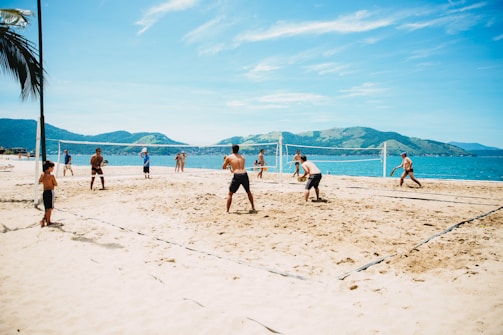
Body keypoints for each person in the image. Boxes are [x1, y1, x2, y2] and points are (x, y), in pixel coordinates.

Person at [222, 144, 256, 213]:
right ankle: (253, 207)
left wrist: (229, 165)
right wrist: (231, 168)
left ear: (232, 150)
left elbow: (223, 167)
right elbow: (239, 167)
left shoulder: (229, 157)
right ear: (238, 150)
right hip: (244, 174)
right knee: (248, 191)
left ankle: (227, 210)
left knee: (230, 193)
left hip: (237, 175)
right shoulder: (242, 157)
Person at [38, 160, 58, 227]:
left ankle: (44, 220)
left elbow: (39, 181)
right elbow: (55, 184)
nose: (53, 169)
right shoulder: (51, 176)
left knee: (47, 207)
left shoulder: (42, 175)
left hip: (45, 192)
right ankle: (47, 221)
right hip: (50, 192)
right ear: (49, 168)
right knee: (50, 208)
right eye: (52, 168)